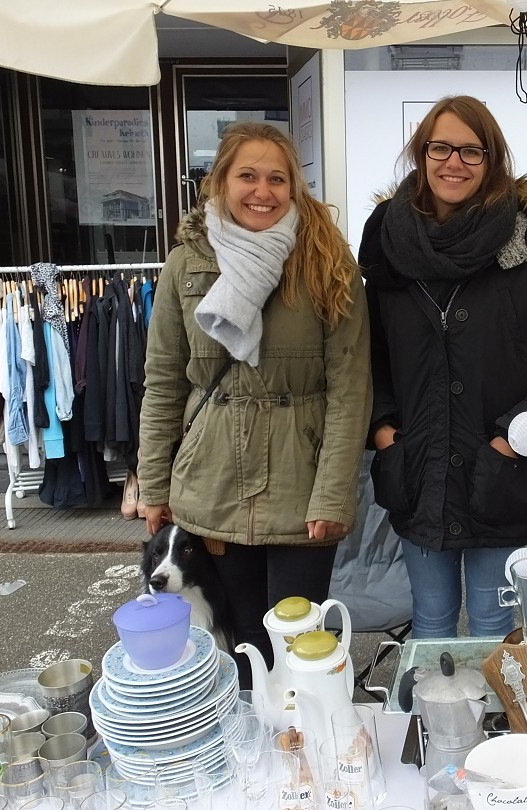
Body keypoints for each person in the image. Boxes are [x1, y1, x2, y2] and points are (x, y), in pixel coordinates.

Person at [138, 122, 372, 682]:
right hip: (212, 482)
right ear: (219, 181)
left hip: (301, 484)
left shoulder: (327, 263)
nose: (262, 191)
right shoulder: (186, 264)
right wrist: (153, 483)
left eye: (277, 178)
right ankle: (253, 756)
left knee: (302, 644)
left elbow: (350, 387)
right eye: (247, 175)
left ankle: (306, 751)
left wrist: (333, 494)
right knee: (238, 642)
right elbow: (164, 381)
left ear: (295, 187)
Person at [358, 95, 527, 638]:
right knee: (431, 622)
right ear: (421, 154)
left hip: (497, 471)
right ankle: (436, 724)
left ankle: (501, 726)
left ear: (492, 161)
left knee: (494, 624)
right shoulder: (387, 241)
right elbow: (364, 354)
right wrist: (384, 429)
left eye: (472, 151)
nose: (454, 162)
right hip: (419, 470)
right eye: (441, 147)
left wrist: (515, 438)